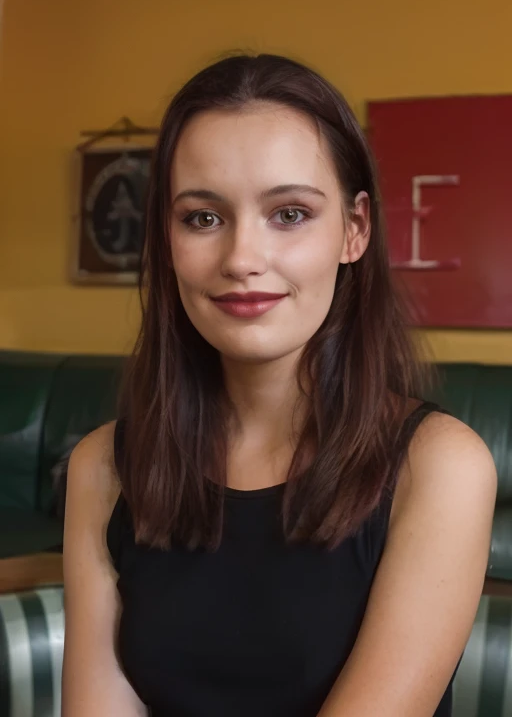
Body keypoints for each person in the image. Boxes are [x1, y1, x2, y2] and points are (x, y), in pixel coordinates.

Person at [62, 53, 497, 717]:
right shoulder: (103, 466)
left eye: (289, 214)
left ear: (354, 230)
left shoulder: (440, 466)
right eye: (202, 218)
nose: (241, 259)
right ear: (166, 237)